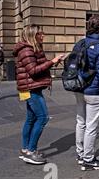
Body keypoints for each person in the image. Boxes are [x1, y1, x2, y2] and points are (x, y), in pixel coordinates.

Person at [14, 25, 64, 165]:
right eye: (40, 34)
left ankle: (25, 149)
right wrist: (52, 62)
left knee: (31, 119)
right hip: (31, 89)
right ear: (32, 35)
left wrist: (52, 63)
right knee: (42, 118)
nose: (43, 36)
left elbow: (37, 67)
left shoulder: (31, 49)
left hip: (29, 88)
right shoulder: (26, 50)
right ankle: (31, 151)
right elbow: (33, 70)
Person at [75, 15, 99, 171]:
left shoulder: (81, 43)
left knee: (81, 122)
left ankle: (80, 153)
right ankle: (88, 159)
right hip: (94, 91)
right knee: (91, 126)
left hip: (79, 88)